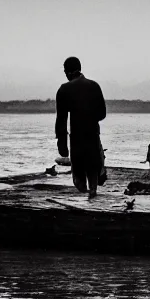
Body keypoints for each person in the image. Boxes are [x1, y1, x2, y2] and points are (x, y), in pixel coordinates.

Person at [55, 56, 107, 198]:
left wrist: (62, 146)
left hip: (77, 140)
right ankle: (93, 197)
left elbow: (61, 120)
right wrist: (89, 116)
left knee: (79, 182)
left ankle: (88, 200)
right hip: (92, 137)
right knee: (93, 176)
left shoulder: (64, 90)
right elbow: (102, 114)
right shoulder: (94, 86)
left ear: (67, 72)